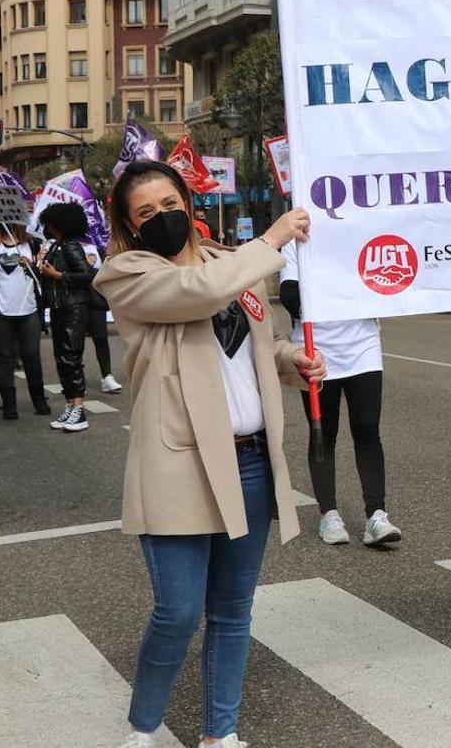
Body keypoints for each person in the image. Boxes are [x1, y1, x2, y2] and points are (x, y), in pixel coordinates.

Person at [94, 160, 324, 748]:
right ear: (129, 225)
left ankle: (221, 734)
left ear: (188, 201)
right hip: (178, 465)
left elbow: (262, 343)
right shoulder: (127, 274)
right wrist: (271, 239)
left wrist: (291, 361)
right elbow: (194, 295)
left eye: (170, 204)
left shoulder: (231, 265)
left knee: (231, 611)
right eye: (146, 213)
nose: (162, 218)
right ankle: (143, 730)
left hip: (248, 462)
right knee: (177, 611)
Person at [279, 245, 402, 547]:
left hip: (363, 346)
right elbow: (291, 297)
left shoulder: (361, 234)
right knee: (324, 432)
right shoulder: (297, 244)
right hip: (315, 349)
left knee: (367, 429)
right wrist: (346, 285)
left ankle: (376, 515)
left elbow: (385, 284)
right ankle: (328, 513)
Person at [0, 222, 50, 419]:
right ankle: (9, 404)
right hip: (0, 311)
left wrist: (31, 265)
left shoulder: (31, 242)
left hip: (29, 309)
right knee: (4, 357)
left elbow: (41, 277)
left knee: (31, 355)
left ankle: (39, 400)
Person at [38, 202, 94, 432]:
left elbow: (86, 274)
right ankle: (71, 405)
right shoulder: (57, 246)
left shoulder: (70, 246)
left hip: (74, 307)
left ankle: (79, 410)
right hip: (60, 306)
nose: (48, 227)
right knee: (62, 357)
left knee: (71, 356)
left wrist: (57, 275)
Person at [84, 243, 124, 394]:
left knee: (101, 338)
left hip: (95, 300)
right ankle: (75, 380)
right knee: (75, 343)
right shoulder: (63, 245)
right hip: (74, 300)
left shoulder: (95, 248)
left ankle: (107, 376)